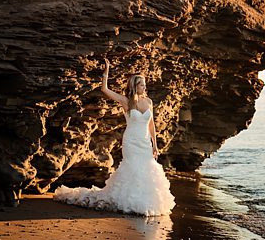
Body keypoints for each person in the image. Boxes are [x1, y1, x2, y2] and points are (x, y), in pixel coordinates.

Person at [54, 59, 175, 216]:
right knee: (133, 169)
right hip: (131, 141)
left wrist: (155, 145)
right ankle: (128, 201)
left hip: (145, 142)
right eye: (141, 84)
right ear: (134, 86)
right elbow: (105, 89)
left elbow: (151, 125)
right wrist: (107, 70)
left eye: (145, 84)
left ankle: (143, 201)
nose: (145, 87)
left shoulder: (149, 102)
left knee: (146, 169)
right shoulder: (126, 101)